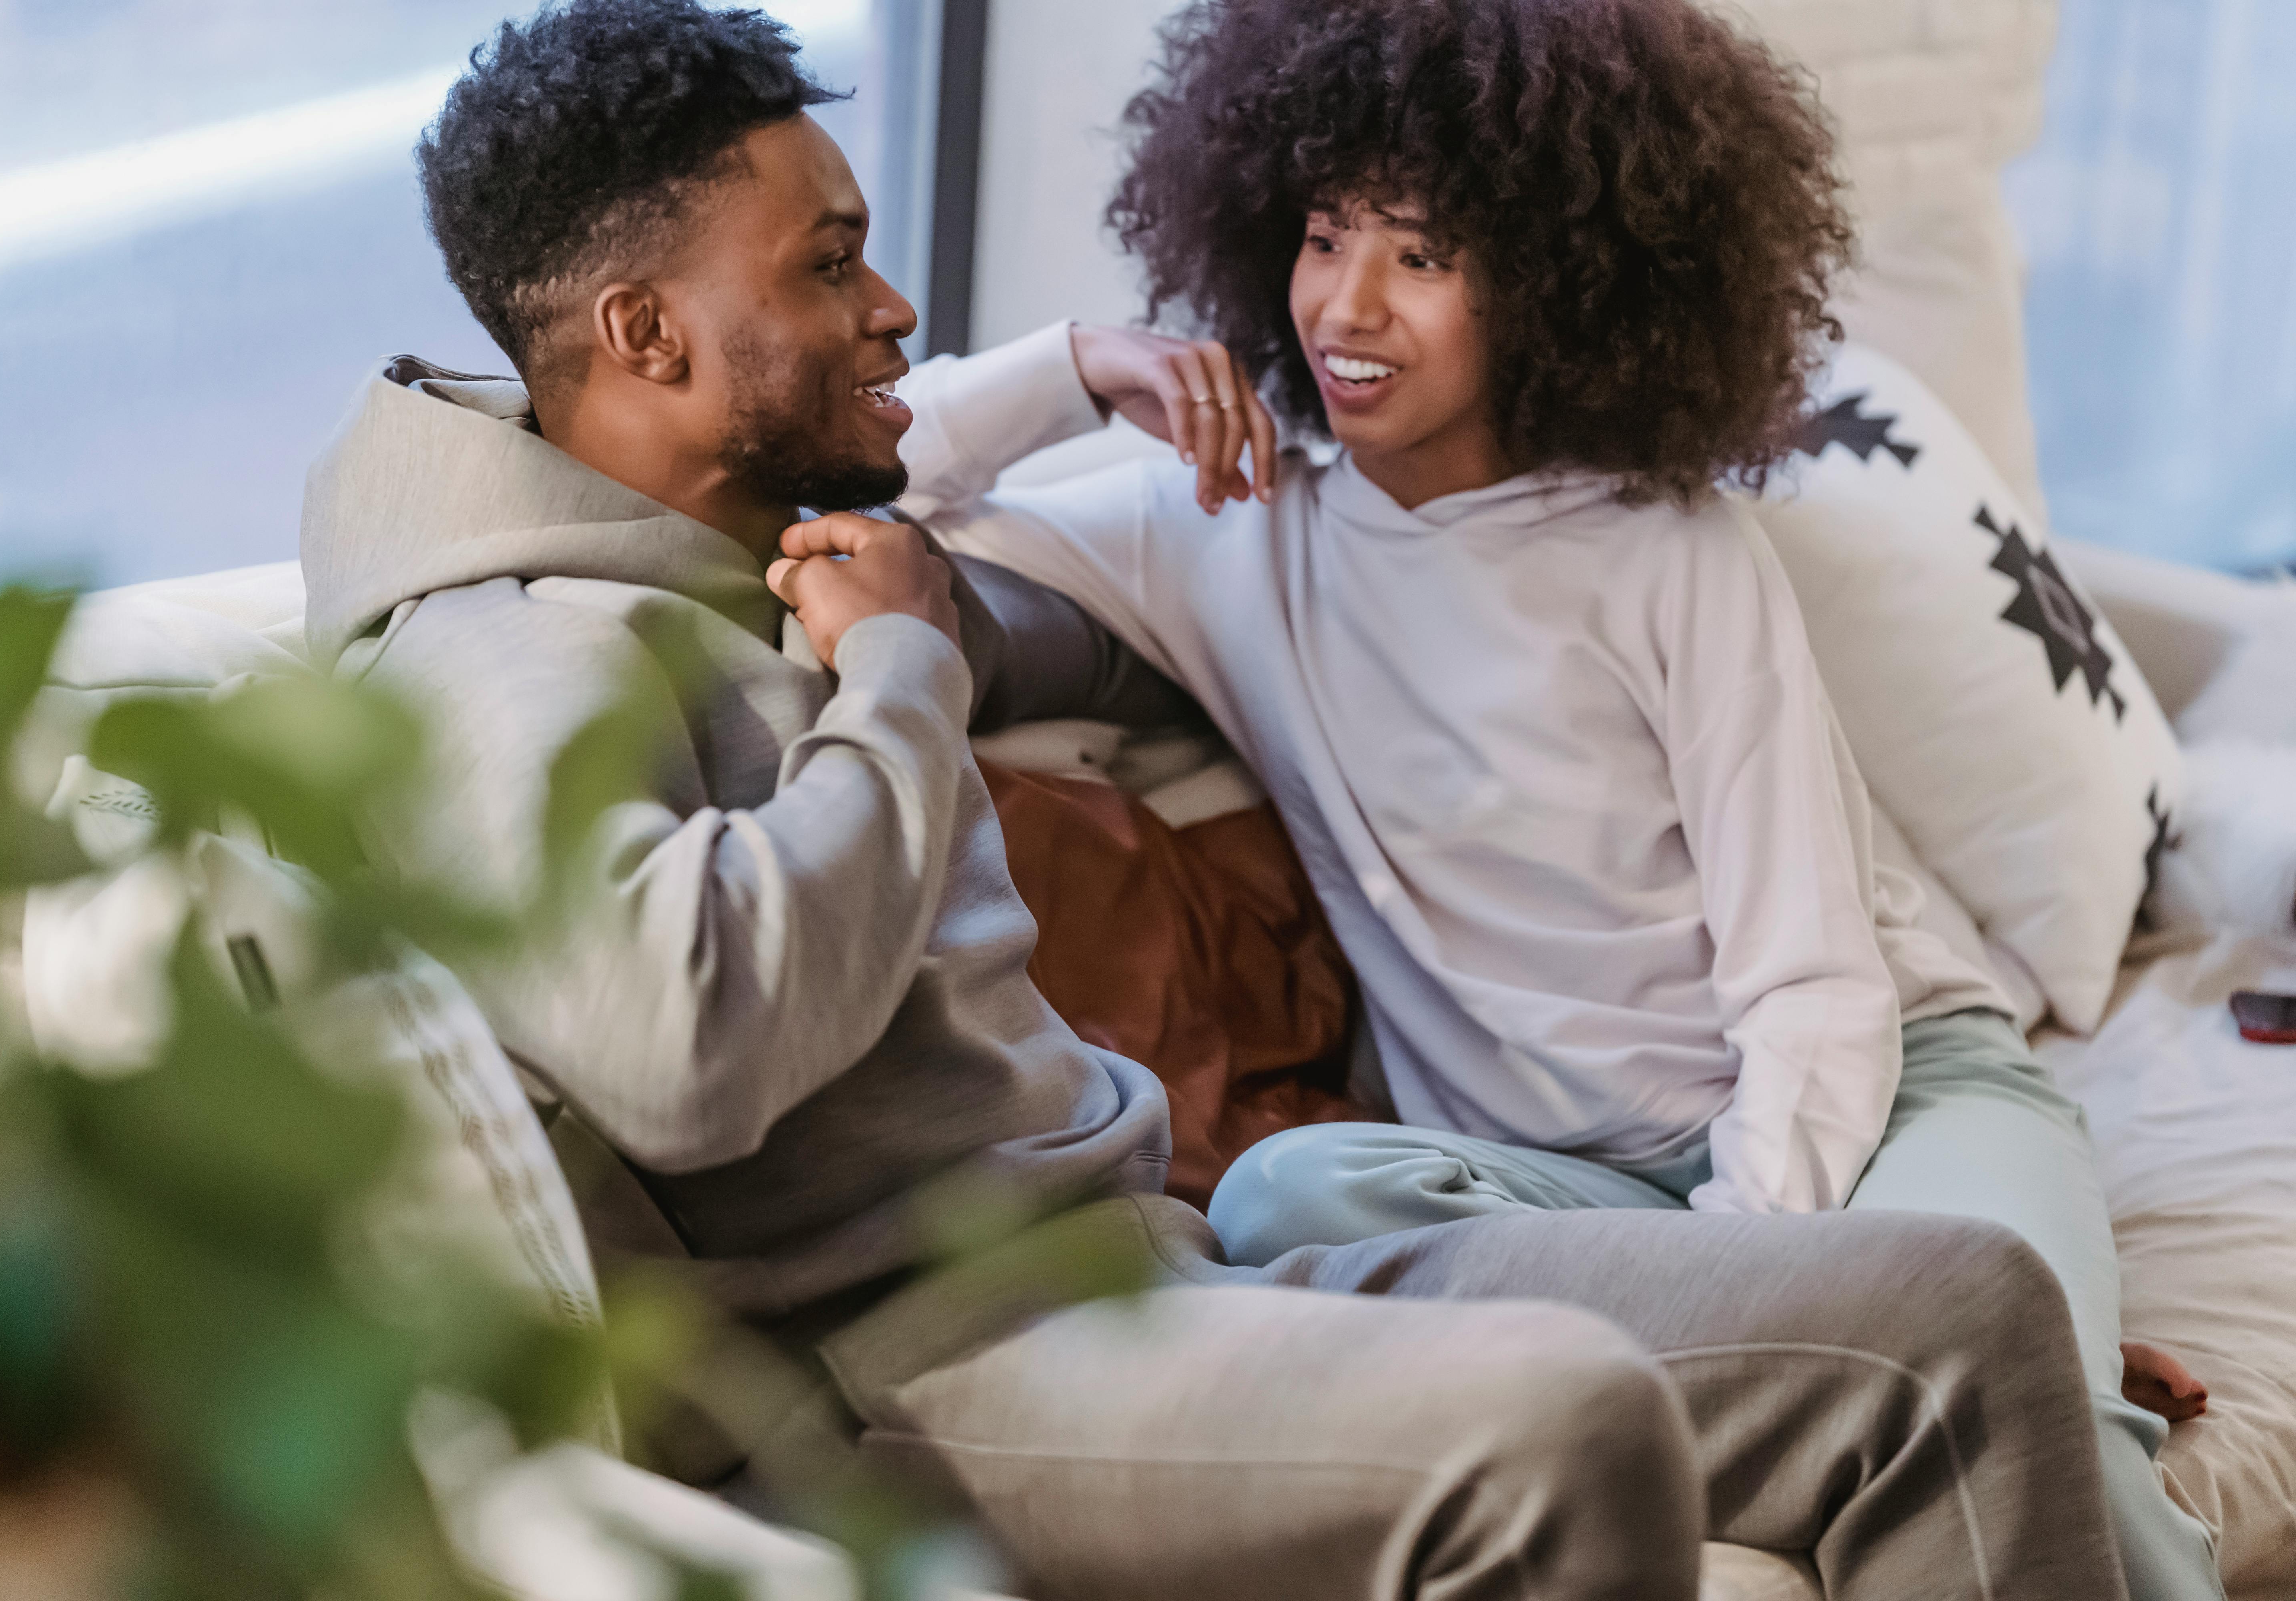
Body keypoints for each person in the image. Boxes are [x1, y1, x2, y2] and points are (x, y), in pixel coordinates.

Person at [302, 3, 2133, 1596]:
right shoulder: (506, 651)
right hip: (950, 1354)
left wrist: (1043, 425)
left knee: (1962, 1320)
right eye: (830, 265)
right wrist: (906, 676)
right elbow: (686, 1042)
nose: (893, 303)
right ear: (643, 333)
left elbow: (976, 566)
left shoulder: (745, 539)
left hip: (1170, 1254)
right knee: (1558, 1414)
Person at [904, 0, 2220, 1596]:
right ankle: (1950, 1342)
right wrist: (1077, 362)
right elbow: (888, 488)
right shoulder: (1219, 524)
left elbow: (1814, 993)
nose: (1350, 305)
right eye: (1325, 238)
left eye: (1426, 256)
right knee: (1289, 1194)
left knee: (2024, 1384)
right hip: (1552, 1179)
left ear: (1554, 282)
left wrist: (1802, 1289)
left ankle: (2018, 1358)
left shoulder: (1674, 553)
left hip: (1883, 1100)